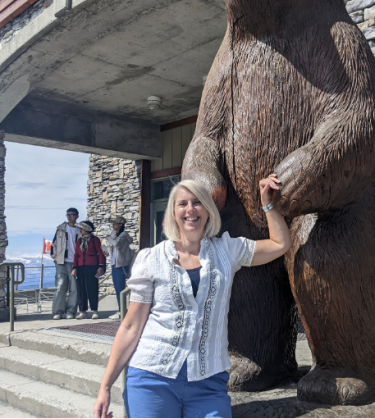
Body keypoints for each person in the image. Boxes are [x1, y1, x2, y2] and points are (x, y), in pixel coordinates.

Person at [93, 176, 292, 418]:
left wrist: (267, 203)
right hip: (152, 377)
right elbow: (131, 327)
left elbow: (280, 243)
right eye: (182, 204)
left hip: (208, 382)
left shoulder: (227, 250)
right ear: (173, 213)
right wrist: (105, 386)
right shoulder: (151, 258)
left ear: (208, 210)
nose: (190, 209)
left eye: (197, 202)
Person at [71, 221, 107, 319]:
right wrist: (74, 267)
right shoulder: (79, 241)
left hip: (92, 267)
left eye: (81, 229)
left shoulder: (95, 240)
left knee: (92, 288)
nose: (80, 230)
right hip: (80, 267)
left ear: (87, 229)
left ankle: (95, 310)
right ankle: (83, 311)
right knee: (81, 289)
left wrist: (100, 266)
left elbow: (100, 253)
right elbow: (76, 255)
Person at [50, 208, 81, 320]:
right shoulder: (60, 229)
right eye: (68, 215)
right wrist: (55, 257)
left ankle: (71, 311)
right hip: (61, 263)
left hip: (75, 264)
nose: (69, 216)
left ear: (77, 216)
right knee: (60, 287)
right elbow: (53, 245)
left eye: (72, 215)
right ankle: (58, 312)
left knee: (74, 289)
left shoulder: (80, 230)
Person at [106, 215, 138, 319]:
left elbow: (116, 244)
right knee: (118, 288)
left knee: (120, 289)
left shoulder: (123, 235)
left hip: (121, 265)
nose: (113, 225)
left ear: (120, 224)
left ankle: (122, 312)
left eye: (115, 223)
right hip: (115, 264)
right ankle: (122, 311)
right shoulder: (116, 234)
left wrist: (109, 237)